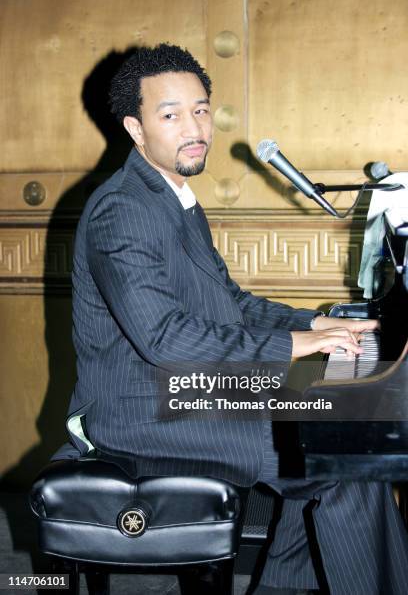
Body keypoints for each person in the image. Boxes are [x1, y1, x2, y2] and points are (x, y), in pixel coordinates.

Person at [54, 44, 408, 594]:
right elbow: (164, 337)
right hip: (144, 408)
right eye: (169, 114)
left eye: (200, 110)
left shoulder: (173, 198)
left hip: (190, 390)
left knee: (327, 428)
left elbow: (230, 301)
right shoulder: (122, 209)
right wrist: (293, 347)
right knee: (345, 458)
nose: (193, 126)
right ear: (135, 128)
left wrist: (314, 325)